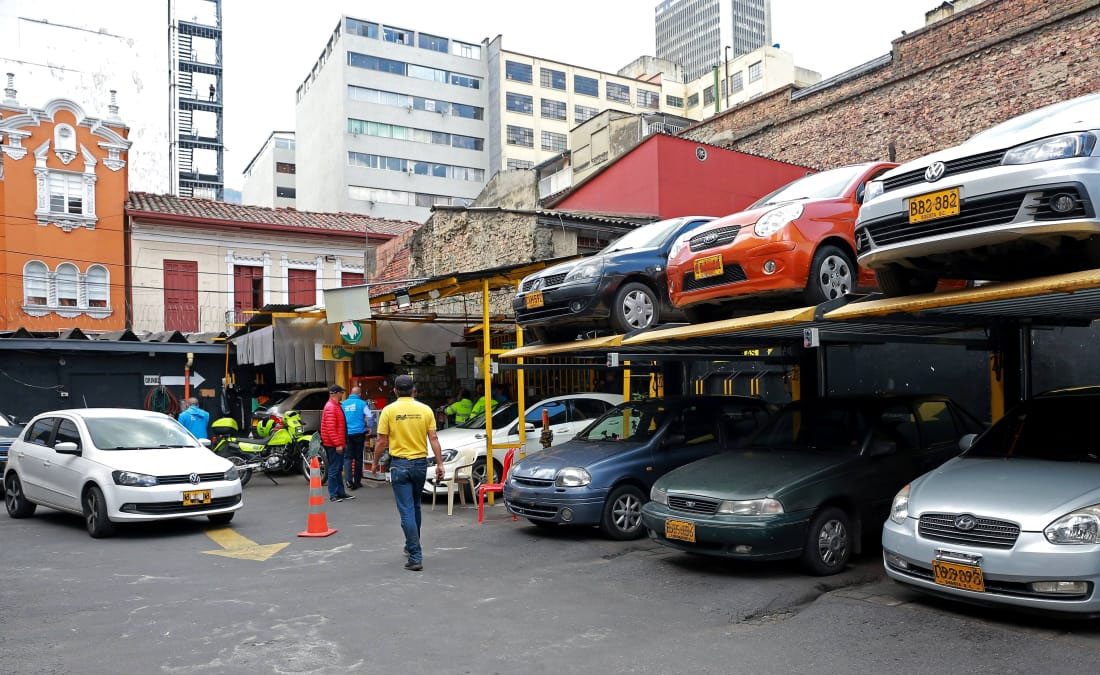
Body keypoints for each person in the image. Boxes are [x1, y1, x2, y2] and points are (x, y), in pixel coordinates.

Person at [372, 375, 444, 572]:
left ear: (395, 390)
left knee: (406, 511)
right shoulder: (425, 409)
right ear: (413, 389)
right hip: (420, 465)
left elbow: (381, 442)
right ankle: (412, 544)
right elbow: (434, 438)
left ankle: (415, 555)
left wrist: (375, 463)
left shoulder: (388, 411)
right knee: (415, 507)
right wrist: (440, 464)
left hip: (400, 465)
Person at [320, 384, 354, 502]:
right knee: (334, 469)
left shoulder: (336, 406)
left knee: (338, 468)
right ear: (335, 393)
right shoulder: (331, 407)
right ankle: (333, 494)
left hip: (337, 442)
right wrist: (338, 444)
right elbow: (331, 428)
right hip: (333, 444)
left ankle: (340, 492)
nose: (342, 395)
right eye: (341, 393)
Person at [341, 386, 374, 490]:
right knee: (358, 458)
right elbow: (370, 417)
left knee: (348, 457)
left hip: (347, 434)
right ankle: (357, 481)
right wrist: (370, 427)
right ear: (359, 394)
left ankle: (348, 481)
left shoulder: (343, 404)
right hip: (359, 433)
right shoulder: (363, 404)